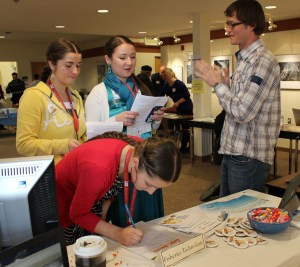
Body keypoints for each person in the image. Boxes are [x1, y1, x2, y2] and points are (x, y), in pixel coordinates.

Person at [194, 0, 281, 197]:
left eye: (232, 24)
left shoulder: (262, 61)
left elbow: (243, 112)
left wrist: (216, 85)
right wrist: (226, 87)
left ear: (251, 25)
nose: (227, 29)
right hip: (235, 152)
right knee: (231, 215)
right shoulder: (245, 60)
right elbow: (239, 103)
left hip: (248, 156)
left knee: (243, 219)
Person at [85, 35, 165, 227]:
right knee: (126, 222)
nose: (129, 63)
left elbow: (149, 129)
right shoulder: (99, 93)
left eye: (133, 57)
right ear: (108, 59)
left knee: (151, 222)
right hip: (119, 169)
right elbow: (90, 137)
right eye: (122, 57)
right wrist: (116, 121)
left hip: (146, 162)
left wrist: (156, 119)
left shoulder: (141, 88)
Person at [55, 131, 182, 245]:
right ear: (136, 164)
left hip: (90, 192)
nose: (151, 192)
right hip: (63, 200)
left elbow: (108, 192)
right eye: (149, 184)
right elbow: (78, 214)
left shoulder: (140, 150)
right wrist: (117, 233)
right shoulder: (98, 169)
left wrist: (101, 223)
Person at [16, 38, 87, 165]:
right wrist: (63, 145)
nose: (75, 71)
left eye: (78, 65)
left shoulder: (75, 96)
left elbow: (80, 134)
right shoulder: (34, 96)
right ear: (52, 64)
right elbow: (24, 144)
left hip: (77, 167)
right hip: (51, 172)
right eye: (69, 65)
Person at [159, 67, 193, 153]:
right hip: (177, 109)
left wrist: (178, 102)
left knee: (185, 127)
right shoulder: (167, 85)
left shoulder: (179, 84)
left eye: (165, 77)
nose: (164, 79)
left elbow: (187, 96)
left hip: (186, 107)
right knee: (177, 126)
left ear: (169, 75)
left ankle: (185, 146)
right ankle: (177, 145)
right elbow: (160, 95)